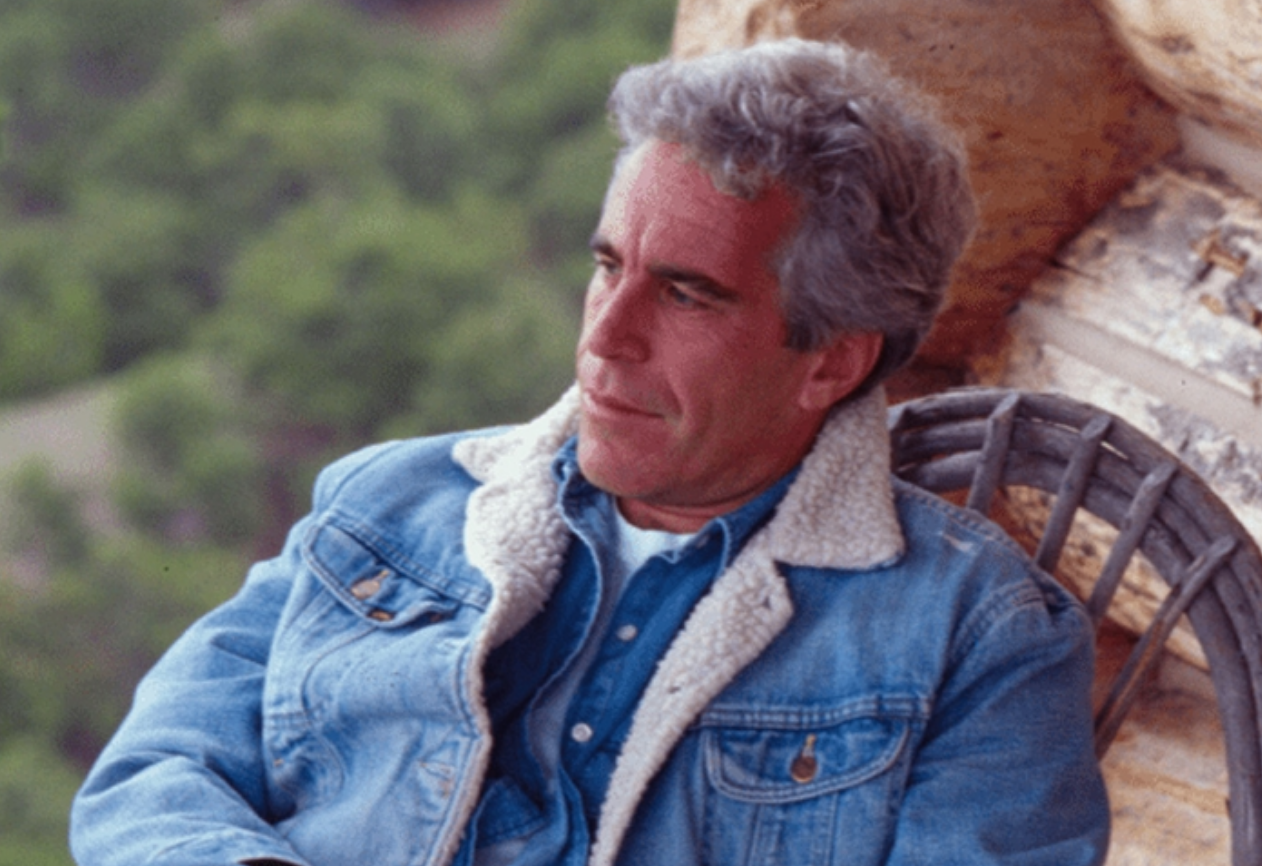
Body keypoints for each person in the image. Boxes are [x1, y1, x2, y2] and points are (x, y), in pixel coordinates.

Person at [70, 37, 1110, 866]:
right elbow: (153, 775)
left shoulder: (977, 641)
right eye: (608, 266)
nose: (605, 338)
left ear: (831, 361)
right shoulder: (384, 507)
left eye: (686, 294)